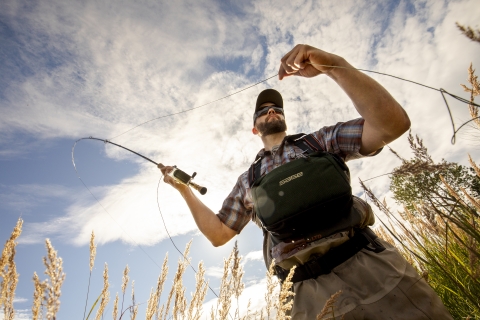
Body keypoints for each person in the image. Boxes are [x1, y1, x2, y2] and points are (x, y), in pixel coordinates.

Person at [159, 44, 452, 319]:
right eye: (263, 111)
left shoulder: (318, 142)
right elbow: (219, 234)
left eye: (276, 109)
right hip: (306, 292)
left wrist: (333, 65)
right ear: (254, 128)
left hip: (371, 263)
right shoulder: (247, 181)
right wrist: (185, 190)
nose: (271, 111)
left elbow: (393, 124)